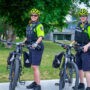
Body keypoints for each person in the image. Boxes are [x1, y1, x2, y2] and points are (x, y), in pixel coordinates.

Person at [24, 8, 44, 90]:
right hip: (31, 47)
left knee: (35, 66)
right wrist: (22, 42)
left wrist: (36, 43)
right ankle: (35, 82)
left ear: (38, 16)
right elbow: (27, 37)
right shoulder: (29, 25)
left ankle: (38, 85)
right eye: (32, 15)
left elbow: (41, 37)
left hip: (37, 47)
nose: (33, 16)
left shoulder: (39, 25)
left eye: (35, 15)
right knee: (33, 66)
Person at [71, 8, 90, 90]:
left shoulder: (89, 27)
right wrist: (71, 44)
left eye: (84, 16)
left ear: (86, 17)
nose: (82, 17)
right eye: (81, 16)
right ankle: (81, 84)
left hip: (86, 50)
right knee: (79, 68)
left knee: (87, 69)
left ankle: (89, 87)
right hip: (78, 49)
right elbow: (75, 39)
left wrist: (87, 46)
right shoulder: (78, 26)